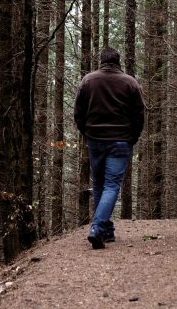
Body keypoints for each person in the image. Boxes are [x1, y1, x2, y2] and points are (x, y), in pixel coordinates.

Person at [73, 47, 145, 249]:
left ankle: (106, 230)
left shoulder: (88, 80)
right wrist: (133, 137)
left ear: (101, 61)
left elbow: (78, 112)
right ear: (118, 61)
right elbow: (139, 114)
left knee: (99, 185)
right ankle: (98, 228)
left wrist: (86, 132)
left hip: (95, 140)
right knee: (111, 185)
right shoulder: (130, 82)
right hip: (121, 141)